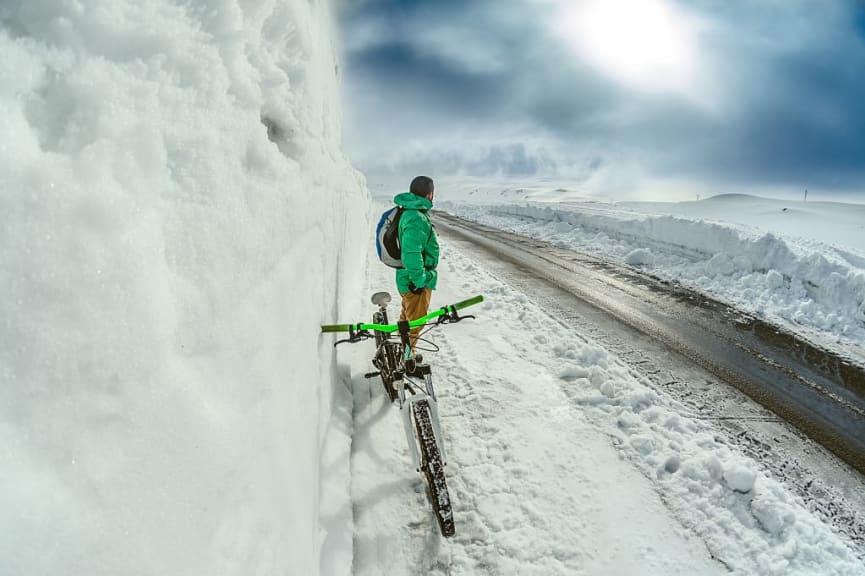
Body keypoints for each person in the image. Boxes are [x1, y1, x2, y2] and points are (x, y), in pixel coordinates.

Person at [394, 175, 439, 354]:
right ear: (429, 194)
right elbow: (411, 252)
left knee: (407, 320)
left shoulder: (411, 212)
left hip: (409, 278)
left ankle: (403, 354)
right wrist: (419, 280)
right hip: (415, 281)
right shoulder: (416, 217)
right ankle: (405, 361)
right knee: (415, 324)